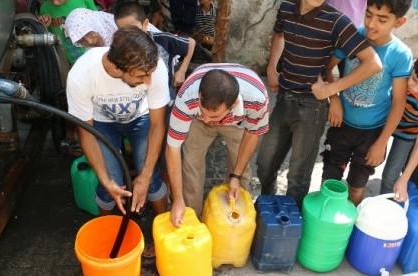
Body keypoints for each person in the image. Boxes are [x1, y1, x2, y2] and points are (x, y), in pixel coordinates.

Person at [256, 0, 382, 209]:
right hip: (283, 99)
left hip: (311, 108)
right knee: (265, 165)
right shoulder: (286, 8)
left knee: (298, 176)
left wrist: (331, 91)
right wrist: (271, 66)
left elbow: (373, 64)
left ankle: (289, 226)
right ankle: (267, 209)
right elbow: (279, 34)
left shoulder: (337, 21)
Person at [312, 0, 413, 205]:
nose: (371, 24)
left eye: (382, 19)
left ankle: (346, 231)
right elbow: (327, 68)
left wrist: (381, 142)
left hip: (372, 133)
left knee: (356, 188)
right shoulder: (352, 36)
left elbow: (398, 103)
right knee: (328, 181)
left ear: (399, 22)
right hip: (341, 125)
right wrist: (335, 100)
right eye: (368, 14)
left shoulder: (401, 55)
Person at [66, 26, 170, 221]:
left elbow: (157, 125)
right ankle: (106, 234)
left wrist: (145, 176)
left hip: (142, 117)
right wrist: (105, 181)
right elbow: (86, 133)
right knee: (111, 181)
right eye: (140, 76)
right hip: (101, 123)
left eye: (149, 75)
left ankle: (161, 234)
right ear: (116, 68)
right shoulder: (81, 75)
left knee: (151, 178)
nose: (148, 81)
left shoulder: (155, 67)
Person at [166, 64, 270, 227]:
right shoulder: (187, 97)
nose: (208, 121)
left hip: (237, 124)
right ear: (200, 95)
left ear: (234, 104)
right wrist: (177, 199)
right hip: (195, 119)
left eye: (212, 116)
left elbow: (252, 134)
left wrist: (235, 176)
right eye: (205, 111)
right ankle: (191, 220)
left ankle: (237, 223)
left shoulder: (256, 99)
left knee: (241, 172)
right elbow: (172, 148)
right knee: (191, 164)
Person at [114, 2, 196, 95]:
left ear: (145, 24)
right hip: (138, 101)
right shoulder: (119, 50)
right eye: (124, 31)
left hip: (166, 97)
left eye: (134, 29)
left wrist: (182, 71)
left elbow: (191, 43)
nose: (130, 35)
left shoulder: (163, 40)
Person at [382, 58, 418, 202]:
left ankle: (385, 207)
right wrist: (381, 142)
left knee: (390, 176)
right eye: (414, 78)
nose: (412, 86)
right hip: (384, 121)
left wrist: (404, 179)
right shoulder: (401, 71)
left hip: (408, 132)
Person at [38, 0, 98, 65]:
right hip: (66, 62)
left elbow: (98, 23)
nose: (55, 2)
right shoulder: (44, 8)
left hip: (92, 56)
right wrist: (44, 26)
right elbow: (48, 38)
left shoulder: (84, 1)